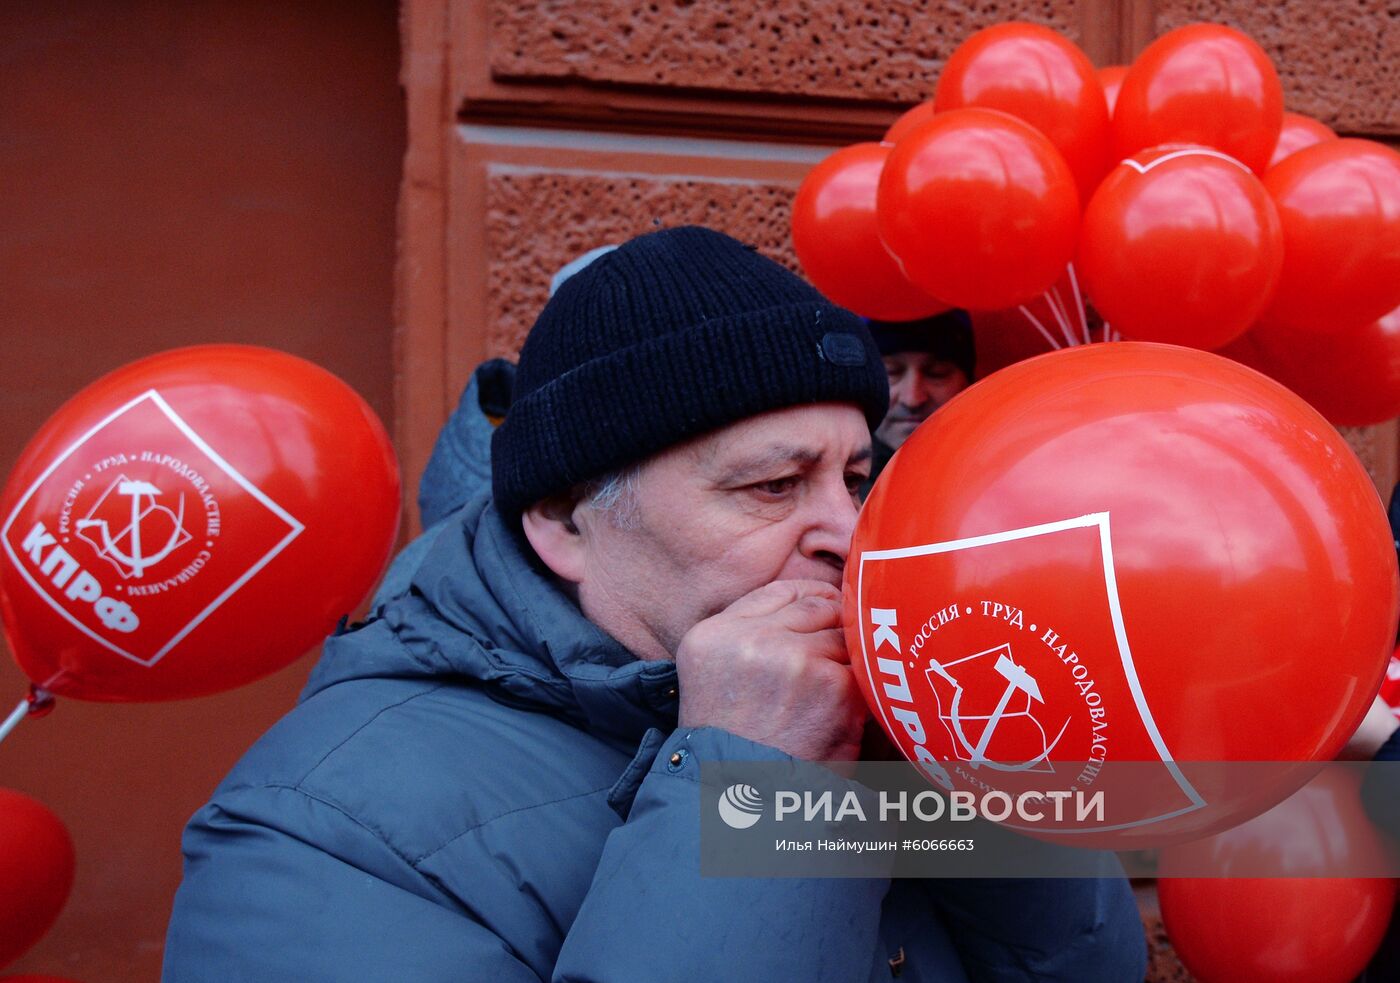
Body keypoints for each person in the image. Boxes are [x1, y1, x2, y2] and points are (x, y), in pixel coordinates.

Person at [162, 226, 1146, 982]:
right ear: (563, 520)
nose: (846, 533)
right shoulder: (319, 827)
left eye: (852, 476)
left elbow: (1085, 965)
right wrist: (750, 783)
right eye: (770, 485)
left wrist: (964, 767)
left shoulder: (862, 708)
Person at [864, 311, 975, 494]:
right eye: (891, 372)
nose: (912, 399)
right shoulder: (838, 500)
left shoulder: (1000, 485)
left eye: (936, 373)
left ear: (970, 384)